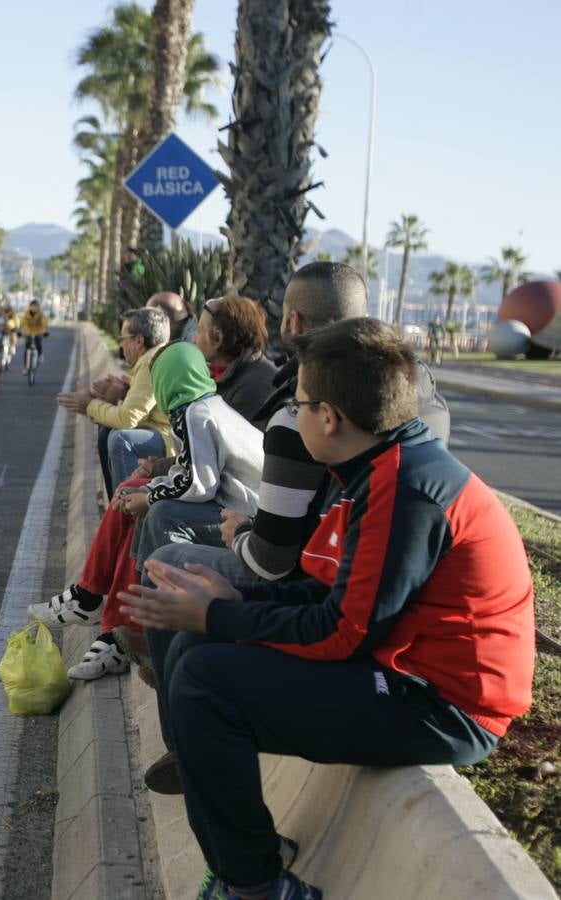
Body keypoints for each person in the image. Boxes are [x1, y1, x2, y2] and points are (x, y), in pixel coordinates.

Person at [117, 317, 534, 900]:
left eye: (301, 403)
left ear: (329, 418)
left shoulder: (407, 488)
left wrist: (218, 615)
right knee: (192, 650)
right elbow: (323, 590)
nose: (293, 414)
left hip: (443, 706)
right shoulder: (381, 467)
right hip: (398, 671)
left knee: (205, 679)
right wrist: (233, 598)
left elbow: (340, 633)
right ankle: (247, 857)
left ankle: (255, 886)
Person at [133, 261, 453, 790]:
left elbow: (289, 572)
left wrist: (227, 601)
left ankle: (186, 747)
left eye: (305, 406)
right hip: (352, 582)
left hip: (381, 637)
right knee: (191, 619)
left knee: (169, 562)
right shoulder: (418, 405)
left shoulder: (321, 434)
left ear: (295, 324)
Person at [33, 341, 263, 680]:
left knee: (157, 512)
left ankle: (131, 626)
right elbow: (193, 472)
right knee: (131, 493)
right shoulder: (202, 405)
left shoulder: (195, 414)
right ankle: (91, 596)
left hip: (244, 522)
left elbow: (199, 485)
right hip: (230, 508)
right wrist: (149, 486)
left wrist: (150, 497)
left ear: (168, 380)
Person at [56, 307, 172, 496]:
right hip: (167, 433)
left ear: (139, 341)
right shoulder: (156, 357)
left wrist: (90, 405)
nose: (120, 345)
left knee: (121, 440)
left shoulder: (151, 361)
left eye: (122, 339)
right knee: (108, 429)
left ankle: (125, 515)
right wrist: (121, 393)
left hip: (173, 440)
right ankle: (116, 506)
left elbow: (128, 418)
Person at [194, 295, 277, 426]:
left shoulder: (255, 384)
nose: (194, 339)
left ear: (217, 338)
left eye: (199, 331)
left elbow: (230, 442)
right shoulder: (222, 372)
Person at [19, 300, 49, 375]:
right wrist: (20, 330)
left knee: (38, 343)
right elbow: (22, 322)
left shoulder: (40, 314)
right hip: (29, 332)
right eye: (32, 306)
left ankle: (40, 355)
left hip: (38, 332)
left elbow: (44, 322)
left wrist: (45, 331)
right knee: (27, 348)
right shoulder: (27, 314)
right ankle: (26, 367)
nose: (34, 308)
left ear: (38, 307)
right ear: (30, 307)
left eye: (36, 306)